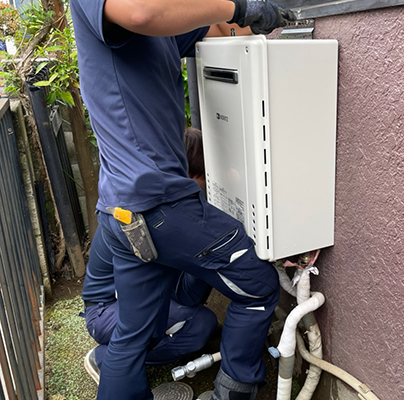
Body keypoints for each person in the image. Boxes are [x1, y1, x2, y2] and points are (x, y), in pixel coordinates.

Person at [70, 0, 296, 398]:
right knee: (258, 286)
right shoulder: (130, 11)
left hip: (126, 211)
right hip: (159, 202)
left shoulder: (161, 31)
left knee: (136, 336)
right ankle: (233, 393)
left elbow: (223, 26)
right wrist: (239, 5)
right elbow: (141, 13)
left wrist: (261, 15)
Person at [82, 126, 216, 384]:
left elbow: (186, 292)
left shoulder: (164, 201)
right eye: (204, 177)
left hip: (147, 293)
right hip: (106, 309)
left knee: (198, 309)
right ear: (187, 174)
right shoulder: (147, 211)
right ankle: (107, 359)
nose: (207, 185)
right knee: (199, 326)